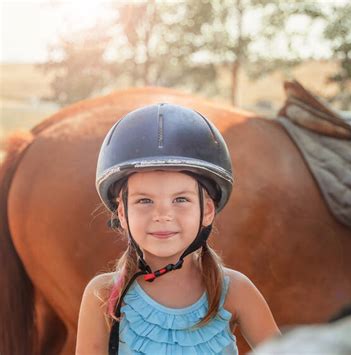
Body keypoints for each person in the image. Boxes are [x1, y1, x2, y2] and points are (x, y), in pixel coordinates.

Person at [76, 103, 280, 354]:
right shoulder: (103, 295)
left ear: (207, 210)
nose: (162, 215)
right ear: (122, 213)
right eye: (144, 201)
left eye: (181, 199)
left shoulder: (235, 291)